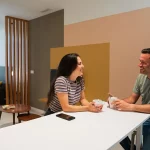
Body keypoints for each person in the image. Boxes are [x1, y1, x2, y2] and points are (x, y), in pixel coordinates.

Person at [109, 48, 150, 150]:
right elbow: (132, 99)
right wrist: (118, 102)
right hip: (144, 116)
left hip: (147, 119)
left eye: (143, 63)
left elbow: (131, 105)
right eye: (140, 61)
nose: (139, 65)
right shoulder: (141, 77)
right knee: (113, 125)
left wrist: (130, 107)